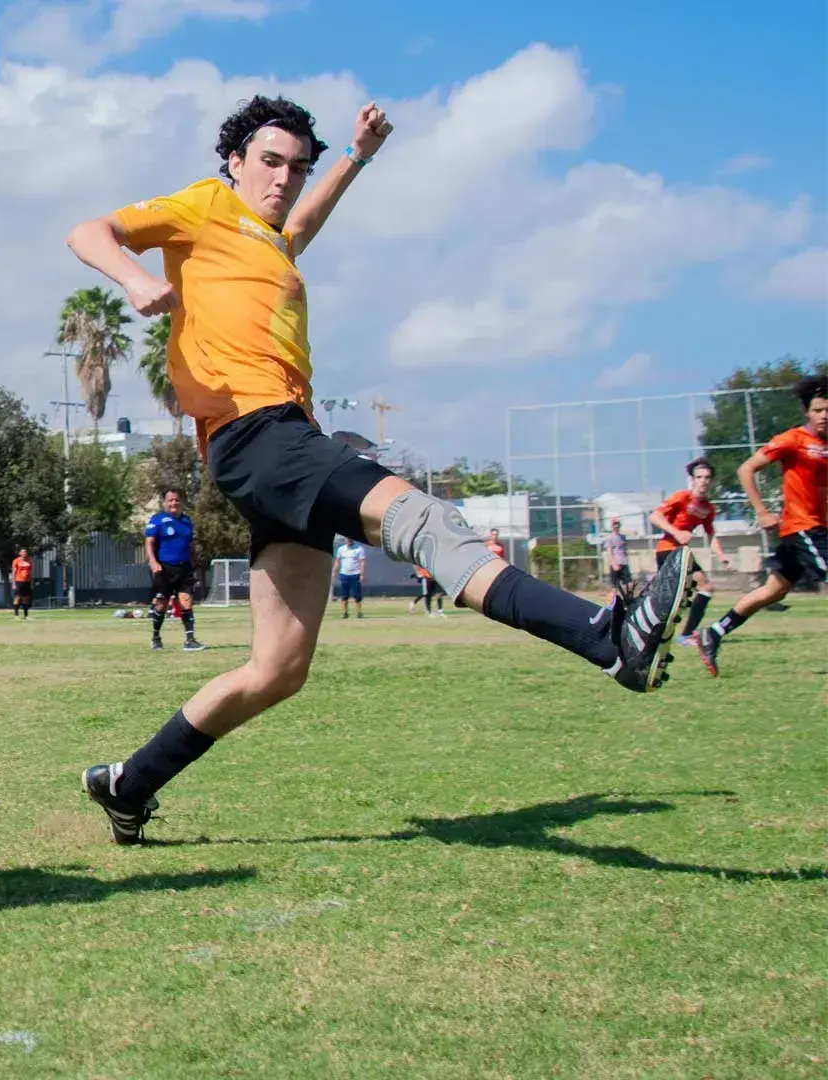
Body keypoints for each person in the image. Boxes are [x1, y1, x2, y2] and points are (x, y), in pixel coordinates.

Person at [63, 94, 691, 845]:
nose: (283, 179)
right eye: (269, 162)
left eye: (296, 168)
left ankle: (128, 785)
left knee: (277, 669)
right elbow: (87, 230)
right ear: (233, 161)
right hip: (257, 434)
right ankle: (607, 637)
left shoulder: (267, 239)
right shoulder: (202, 208)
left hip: (276, 441)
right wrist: (133, 280)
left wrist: (355, 159)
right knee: (426, 521)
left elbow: (296, 226)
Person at [695, 376, 827, 675]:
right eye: (819, 409)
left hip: (817, 528)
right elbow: (746, 469)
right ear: (808, 412)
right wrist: (762, 512)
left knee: (773, 591)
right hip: (802, 529)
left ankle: (713, 632)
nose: (824, 415)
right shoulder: (793, 439)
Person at [649, 459, 733, 646]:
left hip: (682, 552)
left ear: (712, 481)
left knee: (693, 592)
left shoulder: (708, 508)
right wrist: (677, 532)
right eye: (699, 477)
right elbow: (655, 516)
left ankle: (684, 635)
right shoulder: (681, 497)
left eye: (707, 477)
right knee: (681, 594)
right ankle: (681, 635)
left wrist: (722, 556)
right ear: (693, 480)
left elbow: (710, 535)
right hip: (667, 550)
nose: (703, 481)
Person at [143, 488, 204, 651]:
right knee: (161, 604)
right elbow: (149, 543)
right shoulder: (157, 520)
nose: (174, 503)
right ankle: (156, 637)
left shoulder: (186, 521)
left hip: (184, 567)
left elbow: (190, 544)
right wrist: (153, 562)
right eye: (170, 500)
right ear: (165, 502)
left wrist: (195, 562)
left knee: (186, 601)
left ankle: (190, 641)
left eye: (176, 500)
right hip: (164, 568)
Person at [331, 536, 366, 619]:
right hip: (344, 574)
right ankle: (344, 613)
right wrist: (334, 571)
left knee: (357, 595)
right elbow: (337, 561)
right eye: (347, 539)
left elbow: (362, 562)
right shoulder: (341, 549)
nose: (348, 540)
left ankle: (359, 612)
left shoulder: (359, 549)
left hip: (355, 574)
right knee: (344, 595)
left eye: (350, 539)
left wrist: (362, 574)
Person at [601, 519, 633, 603]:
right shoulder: (609, 538)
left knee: (629, 584)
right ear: (612, 526)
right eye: (614, 524)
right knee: (614, 587)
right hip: (615, 564)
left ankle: (627, 601)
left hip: (624, 563)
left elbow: (624, 549)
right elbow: (609, 551)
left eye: (617, 524)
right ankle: (612, 604)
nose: (616, 526)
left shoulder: (623, 537)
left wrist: (626, 560)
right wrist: (614, 564)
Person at [10, 549, 35, 618]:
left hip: (27, 581)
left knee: (25, 598)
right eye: (23, 552)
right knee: (17, 597)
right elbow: (14, 572)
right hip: (18, 581)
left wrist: (31, 582)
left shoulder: (29, 560)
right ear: (20, 553)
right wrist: (13, 583)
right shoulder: (16, 561)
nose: (24, 553)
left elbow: (30, 573)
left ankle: (26, 615)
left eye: (25, 552)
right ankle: (16, 615)